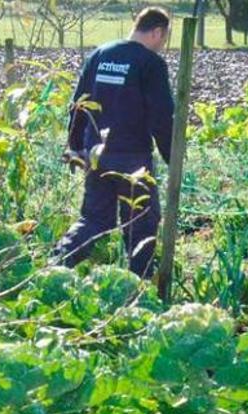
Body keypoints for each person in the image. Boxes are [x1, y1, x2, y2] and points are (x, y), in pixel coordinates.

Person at [51, 7, 174, 278]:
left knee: (93, 220)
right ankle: (138, 287)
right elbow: (162, 118)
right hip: (134, 162)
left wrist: (75, 146)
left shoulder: (100, 54)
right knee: (141, 224)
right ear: (157, 32)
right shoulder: (150, 64)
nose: (162, 47)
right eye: (164, 40)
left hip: (97, 155)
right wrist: (173, 157)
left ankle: (54, 267)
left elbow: (78, 105)